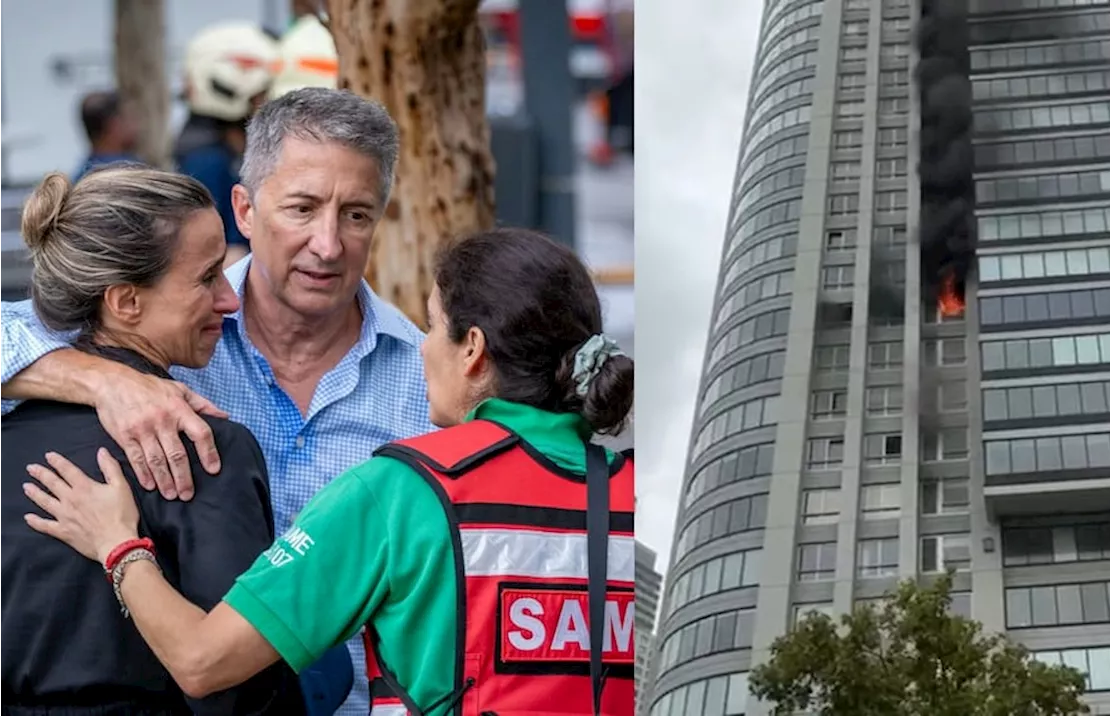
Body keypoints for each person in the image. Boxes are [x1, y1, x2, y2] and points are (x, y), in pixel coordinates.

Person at [19, 227, 637, 716]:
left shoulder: (403, 491)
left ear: (471, 349)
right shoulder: (632, 488)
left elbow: (203, 662)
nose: (421, 344)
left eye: (434, 324)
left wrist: (119, 545)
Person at [0, 87, 432, 716]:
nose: (329, 243)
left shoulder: (429, 387)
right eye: (302, 208)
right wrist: (103, 382)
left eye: (357, 214)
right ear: (246, 209)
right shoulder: (163, 323)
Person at [0, 166, 304, 714]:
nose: (229, 302)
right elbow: (241, 690)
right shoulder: (206, 449)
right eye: (208, 278)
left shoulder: (8, 437)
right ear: (125, 302)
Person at [174, 21, 280, 268]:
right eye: (260, 93)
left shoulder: (213, 148)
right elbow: (225, 252)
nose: (264, 101)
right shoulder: (209, 159)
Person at [73, 90, 140, 181]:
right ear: (113, 125)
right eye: (129, 118)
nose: (136, 126)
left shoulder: (80, 178)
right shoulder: (132, 175)